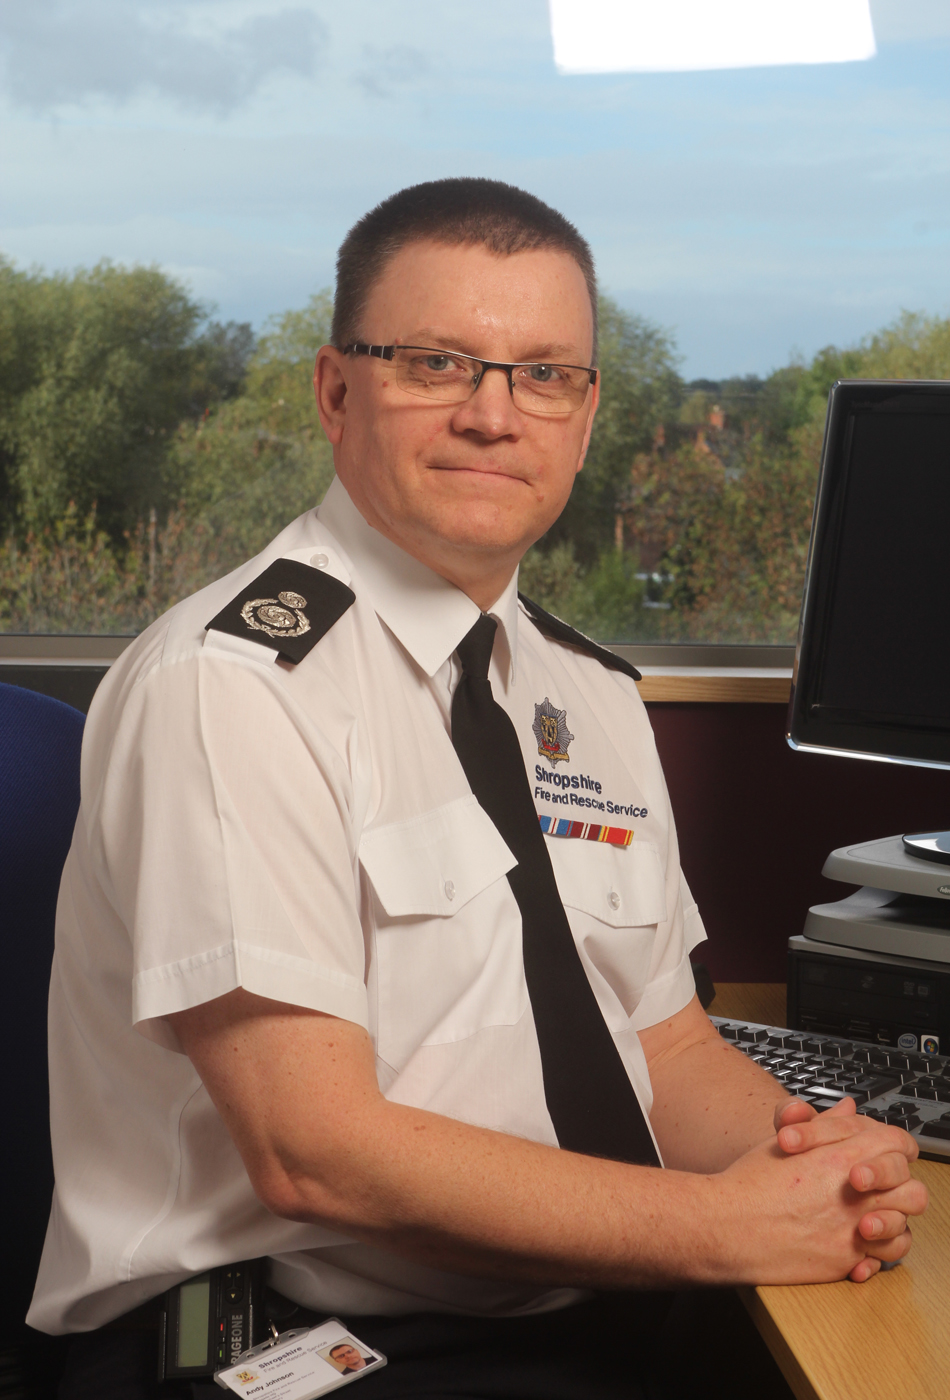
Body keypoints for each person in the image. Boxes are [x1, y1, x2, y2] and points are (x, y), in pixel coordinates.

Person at [31, 178, 926, 1400]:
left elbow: (662, 1043)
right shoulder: (232, 684)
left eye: (543, 373)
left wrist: (815, 1162)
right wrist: (725, 1228)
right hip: (288, 1333)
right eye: (438, 362)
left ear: (586, 411)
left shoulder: (586, 692)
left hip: (585, 1289)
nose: (493, 415)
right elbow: (314, 1155)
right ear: (336, 390)